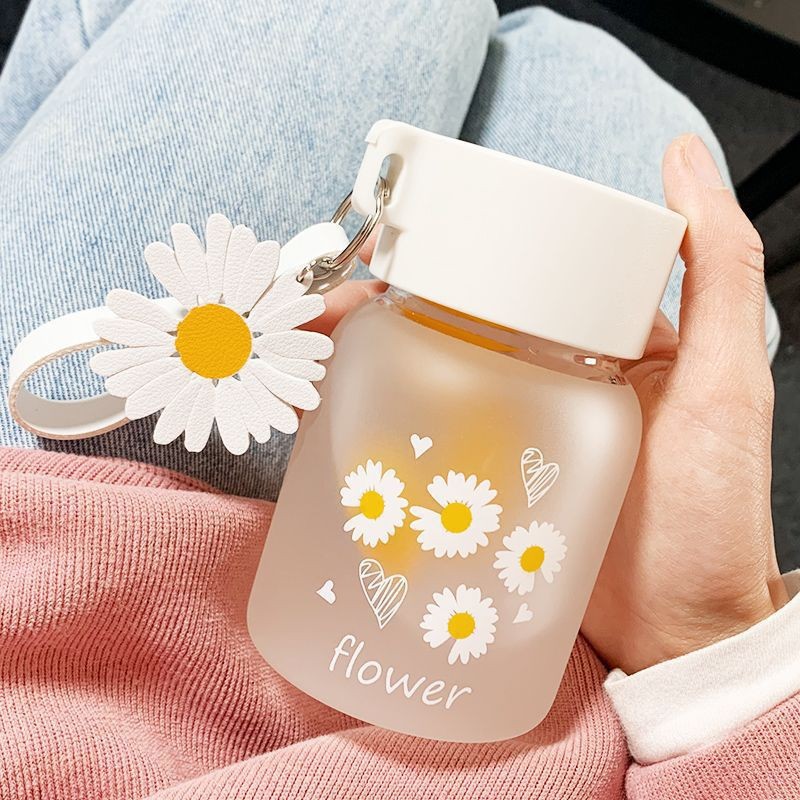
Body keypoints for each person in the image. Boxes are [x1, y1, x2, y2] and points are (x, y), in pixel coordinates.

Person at [0, 1, 796, 798]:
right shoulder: (574, 401)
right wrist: (707, 646)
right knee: (591, 75)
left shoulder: (578, 402)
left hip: (77, 591)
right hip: (597, 724)